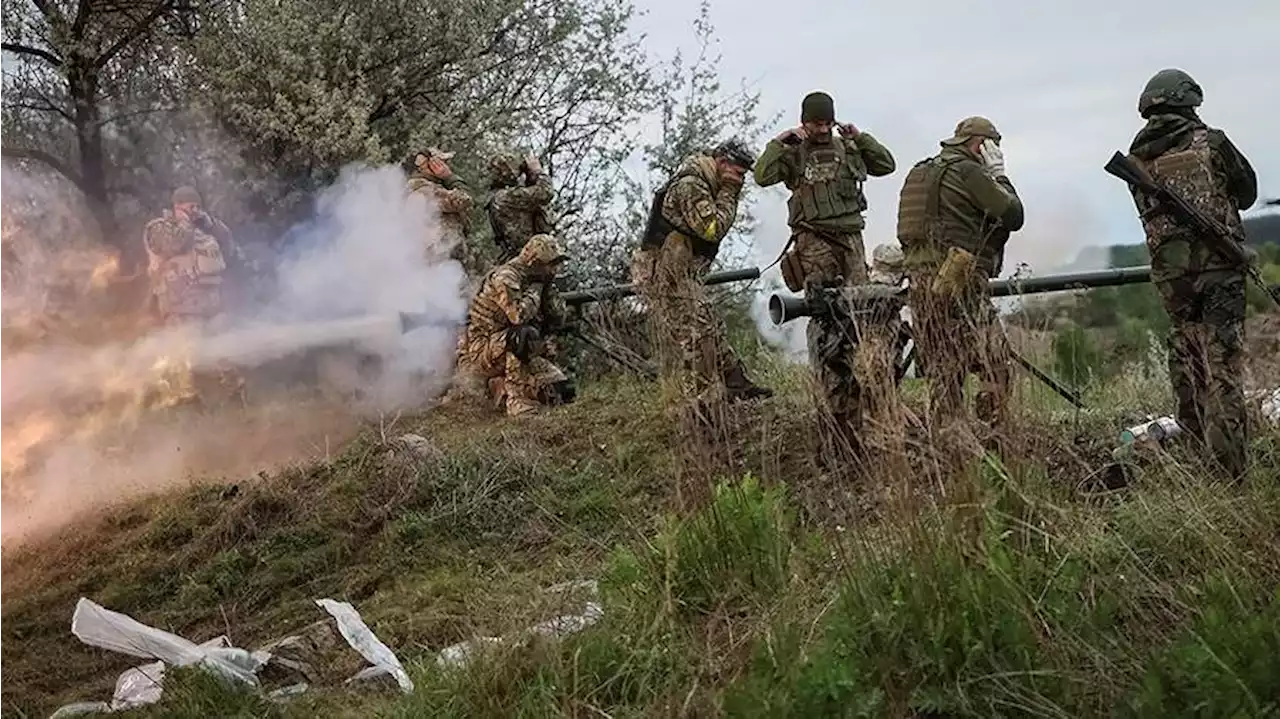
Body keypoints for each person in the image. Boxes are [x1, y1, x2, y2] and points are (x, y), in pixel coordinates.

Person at [1123, 68, 1257, 479]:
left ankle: (1196, 454)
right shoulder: (1211, 142)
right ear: (1189, 101)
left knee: (1188, 359)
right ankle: (1232, 472)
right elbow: (1247, 192)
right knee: (1223, 366)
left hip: (1172, 277)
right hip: (1219, 271)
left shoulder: (1136, 160)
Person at [754, 90, 896, 459]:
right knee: (823, 311)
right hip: (814, 241)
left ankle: (870, 381)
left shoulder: (849, 147)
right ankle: (833, 382)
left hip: (851, 239)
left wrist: (859, 136)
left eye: (825, 122)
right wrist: (778, 143)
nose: (820, 129)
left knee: (862, 309)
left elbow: (886, 165)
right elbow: (762, 175)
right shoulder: (793, 153)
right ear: (804, 121)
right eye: (814, 122)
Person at [896, 116, 1023, 435]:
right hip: (959, 279)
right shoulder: (970, 171)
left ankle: (948, 444)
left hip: (920, 282)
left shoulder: (920, 171)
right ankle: (990, 435)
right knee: (996, 362)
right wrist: (1000, 176)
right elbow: (1012, 215)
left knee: (943, 370)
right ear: (982, 145)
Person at [632, 139, 771, 412]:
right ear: (722, 162)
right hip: (668, 274)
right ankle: (701, 402)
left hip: (681, 271)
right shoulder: (692, 184)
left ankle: (734, 383)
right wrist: (729, 192)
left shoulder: (703, 180)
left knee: (710, 325)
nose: (740, 180)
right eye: (738, 173)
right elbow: (712, 228)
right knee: (696, 334)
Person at [141, 186, 247, 404]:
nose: (195, 210)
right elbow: (174, 244)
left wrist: (208, 223)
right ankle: (184, 402)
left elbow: (228, 248)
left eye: (198, 206)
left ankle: (235, 394)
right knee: (184, 355)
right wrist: (185, 222)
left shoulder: (204, 229)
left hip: (211, 303)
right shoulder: (158, 227)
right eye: (190, 206)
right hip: (180, 305)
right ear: (177, 206)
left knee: (223, 350)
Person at [452, 234, 576, 417]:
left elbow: (558, 319)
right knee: (522, 335)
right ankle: (518, 404)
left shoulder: (539, 279)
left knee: (563, 391)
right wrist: (536, 290)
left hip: (510, 350)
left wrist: (547, 290)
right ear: (533, 262)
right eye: (550, 264)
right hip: (481, 350)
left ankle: (497, 387)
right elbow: (518, 316)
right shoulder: (507, 276)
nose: (554, 269)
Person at [405, 148, 477, 274]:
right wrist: (449, 177)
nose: (446, 165)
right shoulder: (426, 189)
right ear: (428, 165)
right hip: (441, 261)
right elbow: (466, 199)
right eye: (442, 162)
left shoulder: (413, 188)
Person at [486, 151, 554, 264]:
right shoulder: (507, 196)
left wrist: (529, 179)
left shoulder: (498, 196)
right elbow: (546, 192)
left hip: (517, 257)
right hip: (528, 258)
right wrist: (537, 171)